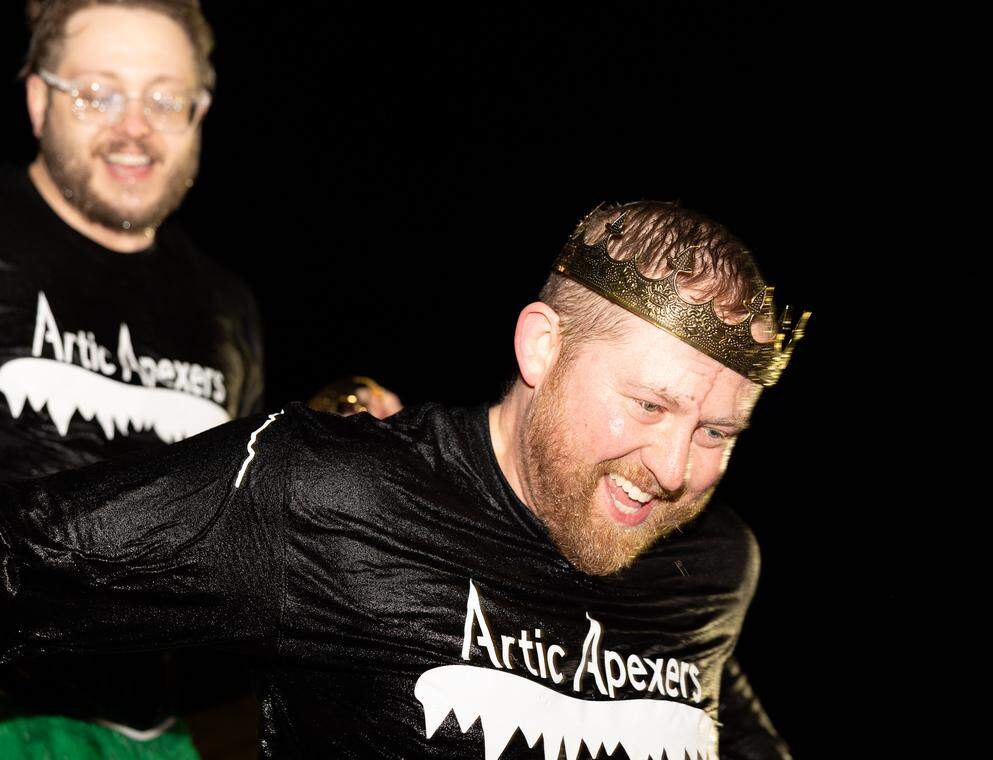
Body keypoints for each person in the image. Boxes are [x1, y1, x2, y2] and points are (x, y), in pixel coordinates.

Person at [1, 201, 805, 759]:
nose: (672, 470)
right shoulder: (327, 492)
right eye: (646, 404)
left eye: (715, 432)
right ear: (541, 349)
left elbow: (724, 719)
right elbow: (22, 565)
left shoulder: (717, 562)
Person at [0, 1, 262, 756]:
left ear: (199, 112)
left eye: (162, 97)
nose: (134, 127)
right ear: (38, 99)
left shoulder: (227, 307)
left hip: (162, 735)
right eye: (97, 93)